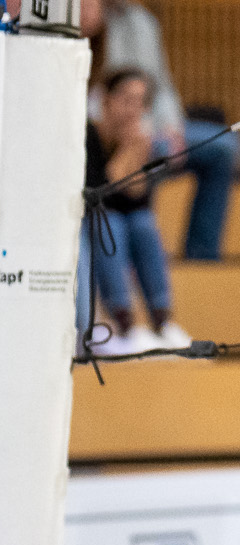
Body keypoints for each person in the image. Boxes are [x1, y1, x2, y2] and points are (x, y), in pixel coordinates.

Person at [96, 0, 240, 260]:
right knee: (144, 154)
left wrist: (172, 125)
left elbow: (162, 86)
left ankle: (201, 256)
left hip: (155, 127)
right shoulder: (88, 18)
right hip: (114, 131)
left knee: (223, 148)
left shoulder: (144, 22)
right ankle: (135, 251)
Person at [82, 67, 189, 352]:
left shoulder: (141, 140)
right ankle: (123, 321)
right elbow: (101, 192)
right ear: (106, 99)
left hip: (124, 220)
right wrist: (126, 152)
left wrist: (137, 152)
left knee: (143, 223)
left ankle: (161, 320)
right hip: (91, 220)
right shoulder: (87, 134)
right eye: (126, 99)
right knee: (109, 222)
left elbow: (138, 198)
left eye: (140, 102)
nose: (133, 109)